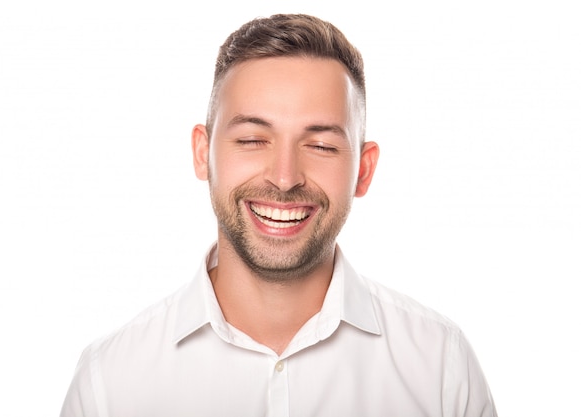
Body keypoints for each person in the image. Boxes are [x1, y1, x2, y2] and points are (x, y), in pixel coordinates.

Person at [60, 13, 497, 417]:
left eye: (321, 145)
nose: (285, 178)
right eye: (252, 140)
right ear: (202, 154)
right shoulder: (110, 384)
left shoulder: (441, 368)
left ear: (363, 171)